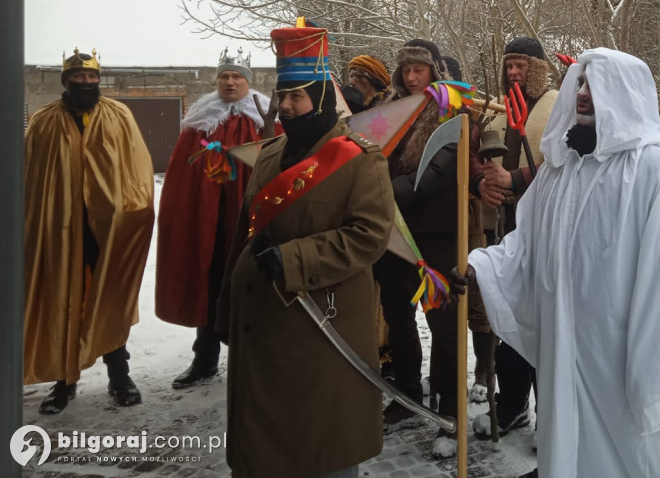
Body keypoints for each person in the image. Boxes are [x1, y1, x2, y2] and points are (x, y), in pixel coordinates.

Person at [454, 48, 660, 477]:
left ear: (624, 95)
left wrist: (651, 366)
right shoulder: (560, 169)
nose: (581, 94)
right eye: (579, 83)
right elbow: (527, 244)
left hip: (622, 356)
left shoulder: (655, 171)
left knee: (627, 453)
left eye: (593, 84)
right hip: (564, 344)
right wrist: (481, 268)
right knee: (566, 441)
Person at [223, 24, 395, 478]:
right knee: (264, 443)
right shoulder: (270, 152)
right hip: (263, 319)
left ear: (320, 99)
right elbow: (248, 233)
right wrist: (226, 305)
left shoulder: (361, 158)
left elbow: (370, 235)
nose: (285, 107)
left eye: (297, 97)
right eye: (282, 96)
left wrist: (295, 260)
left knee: (321, 442)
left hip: (322, 320)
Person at [24, 48, 155, 414]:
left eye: (91, 77)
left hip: (108, 229)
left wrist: (132, 212)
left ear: (99, 79)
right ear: (65, 81)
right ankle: (64, 382)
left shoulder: (119, 116)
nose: (85, 82)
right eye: (78, 78)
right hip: (59, 228)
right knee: (62, 301)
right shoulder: (44, 121)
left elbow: (138, 169)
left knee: (109, 297)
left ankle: (120, 375)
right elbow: (29, 177)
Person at [375, 39, 483, 457]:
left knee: (444, 324)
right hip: (395, 232)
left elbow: (435, 172)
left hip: (437, 236)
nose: (411, 77)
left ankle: (449, 408)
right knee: (398, 316)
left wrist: (379, 193)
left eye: (419, 70)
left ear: (433, 71)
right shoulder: (391, 113)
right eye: (406, 71)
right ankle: (406, 394)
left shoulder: (452, 110)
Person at [155, 48, 273, 388]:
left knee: (246, 282)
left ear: (248, 82)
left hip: (246, 213)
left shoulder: (264, 118)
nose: (230, 82)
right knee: (208, 279)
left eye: (237, 76)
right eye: (224, 76)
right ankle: (204, 359)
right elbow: (183, 171)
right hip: (206, 215)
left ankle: (248, 362)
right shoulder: (199, 120)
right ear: (216, 80)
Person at [473, 38, 558, 437]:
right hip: (501, 227)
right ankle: (511, 406)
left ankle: (551, 422)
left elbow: (567, 165)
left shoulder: (559, 105)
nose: (513, 73)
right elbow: (478, 159)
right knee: (507, 321)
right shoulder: (494, 109)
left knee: (542, 325)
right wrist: (483, 184)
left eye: (521, 66)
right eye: (509, 65)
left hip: (543, 230)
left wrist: (518, 179)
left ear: (538, 68)